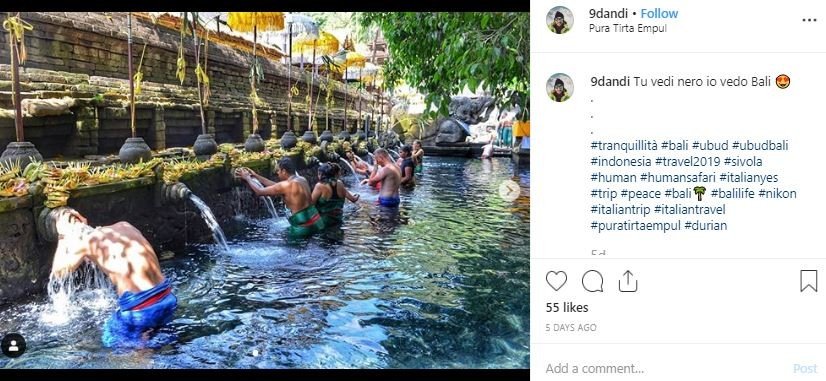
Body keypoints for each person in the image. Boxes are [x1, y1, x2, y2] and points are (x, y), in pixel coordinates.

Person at [49, 207, 177, 346]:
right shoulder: (125, 225)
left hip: (140, 310)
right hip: (168, 298)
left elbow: (58, 272)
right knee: (158, 337)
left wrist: (62, 236)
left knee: (116, 347)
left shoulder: (86, 243)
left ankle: (141, 356)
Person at [237, 157, 326, 237]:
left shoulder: (286, 186)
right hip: (317, 222)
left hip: (304, 228)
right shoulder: (302, 179)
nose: (277, 173)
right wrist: (256, 176)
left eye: (278, 171)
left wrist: (247, 178)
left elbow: (260, 192)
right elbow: (276, 187)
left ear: (284, 171)